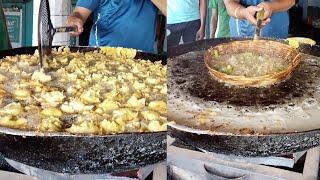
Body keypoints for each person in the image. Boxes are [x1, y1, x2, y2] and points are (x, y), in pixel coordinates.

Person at [66, 0, 166, 53]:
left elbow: (174, 13)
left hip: (143, 58)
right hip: (102, 54)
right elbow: (79, 12)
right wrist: (75, 20)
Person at [223, 0, 295, 39]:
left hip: (276, 30)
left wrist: (272, 6)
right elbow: (229, 3)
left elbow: (290, 1)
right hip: (241, 32)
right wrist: (244, 12)